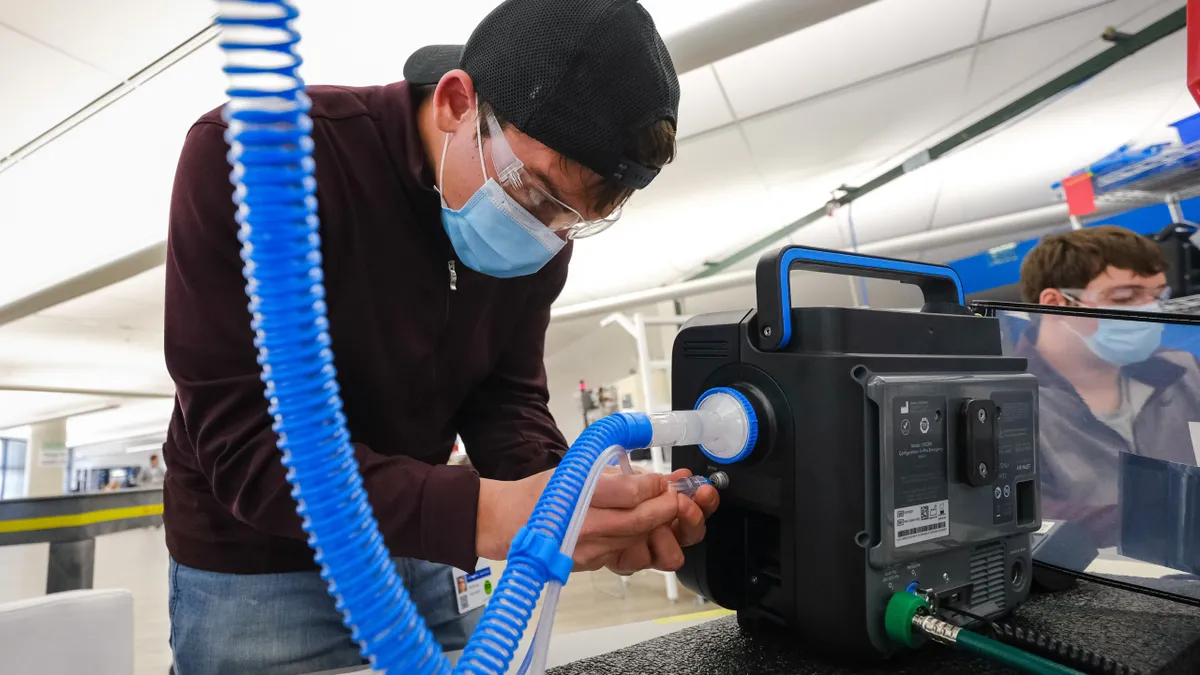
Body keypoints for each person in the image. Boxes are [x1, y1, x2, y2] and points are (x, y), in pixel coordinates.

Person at [162, 2, 719, 674]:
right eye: (538, 194)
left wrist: (575, 497)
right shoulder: (259, 158)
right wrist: (484, 513)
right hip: (259, 569)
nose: (547, 236)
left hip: (427, 545)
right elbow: (242, 443)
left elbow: (503, 398)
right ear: (457, 102)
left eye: (576, 221)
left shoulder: (543, 237)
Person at [1016, 225, 1200, 547]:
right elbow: (1023, 518)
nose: (1150, 311)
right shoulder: (1006, 404)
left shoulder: (1183, 372)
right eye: (1126, 297)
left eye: (1158, 296)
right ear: (1056, 304)